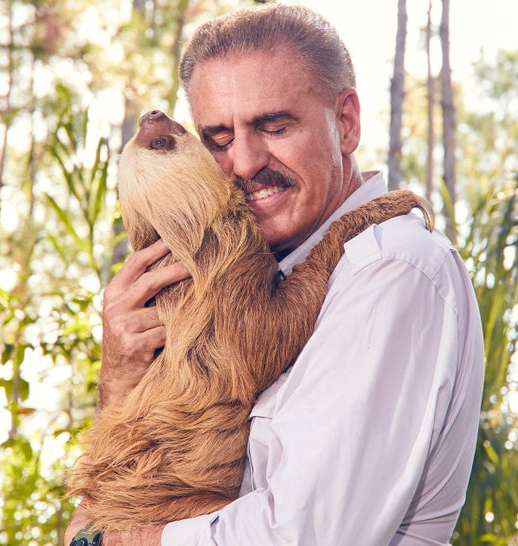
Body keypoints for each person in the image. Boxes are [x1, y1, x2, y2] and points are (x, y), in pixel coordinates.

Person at [66, 3, 485, 545]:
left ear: (347, 122)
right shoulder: (244, 275)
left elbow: (310, 535)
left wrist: (121, 542)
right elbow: (95, 513)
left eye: (274, 126)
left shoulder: (388, 268)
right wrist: (122, 387)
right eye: (218, 139)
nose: (242, 162)